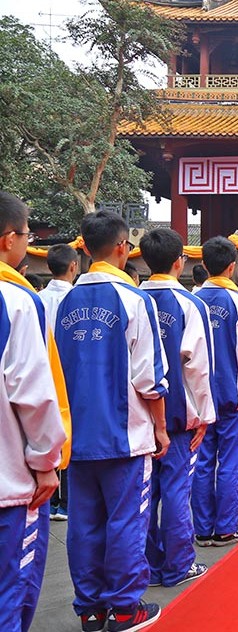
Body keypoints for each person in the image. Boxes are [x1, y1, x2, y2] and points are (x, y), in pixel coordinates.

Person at [55, 210, 169, 632]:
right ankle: (124, 607)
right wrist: (159, 428)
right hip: (125, 435)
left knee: (84, 522)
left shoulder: (63, 301)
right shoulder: (134, 301)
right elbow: (150, 379)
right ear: (123, 248)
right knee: (125, 521)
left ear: (83, 247)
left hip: (77, 435)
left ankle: (89, 608)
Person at [0, 191, 66, 632]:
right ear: (9, 239)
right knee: (11, 591)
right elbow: (33, 394)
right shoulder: (17, 301)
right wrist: (47, 462)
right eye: (27, 235)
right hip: (10, 481)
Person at [138, 228, 216, 588]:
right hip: (178, 414)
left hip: (140, 416)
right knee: (175, 489)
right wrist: (204, 415)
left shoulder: (134, 298)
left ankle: (149, 562)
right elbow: (198, 367)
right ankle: (179, 562)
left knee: (143, 494)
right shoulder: (188, 304)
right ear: (178, 262)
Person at [193, 236, 238, 547]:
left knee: (203, 461)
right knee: (230, 461)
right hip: (232, 395)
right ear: (232, 267)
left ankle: (202, 527)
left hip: (198, 397)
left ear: (204, 265)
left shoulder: (191, 299)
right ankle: (226, 527)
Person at [38, 243, 78, 522]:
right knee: (68, 437)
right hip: (68, 374)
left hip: (42, 375)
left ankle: (49, 499)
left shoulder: (36, 298)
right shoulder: (77, 298)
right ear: (73, 266)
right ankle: (64, 500)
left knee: (46, 433)